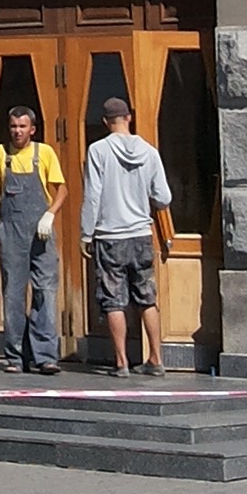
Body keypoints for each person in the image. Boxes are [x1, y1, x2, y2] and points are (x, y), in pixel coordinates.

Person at [81, 97, 173, 376]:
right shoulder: (149, 151)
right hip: (141, 234)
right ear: (129, 117)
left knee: (113, 299)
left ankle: (121, 362)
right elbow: (163, 197)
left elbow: (92, 195)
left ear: (106, 122)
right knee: (147, 297)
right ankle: (155, 359)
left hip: (110, 235)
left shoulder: (98, 150)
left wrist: (86, 233)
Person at [0, 105, 63, 373]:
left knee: (44, 293)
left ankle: (46, 356)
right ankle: (15, 356)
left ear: (32, 129)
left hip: (41, 233)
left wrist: (49, 215)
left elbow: (62, 189)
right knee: (13, 295)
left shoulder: (44, 153)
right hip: (11, 232)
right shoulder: (0, 155)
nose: (17, 131)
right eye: (13, 126)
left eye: (22, 126)